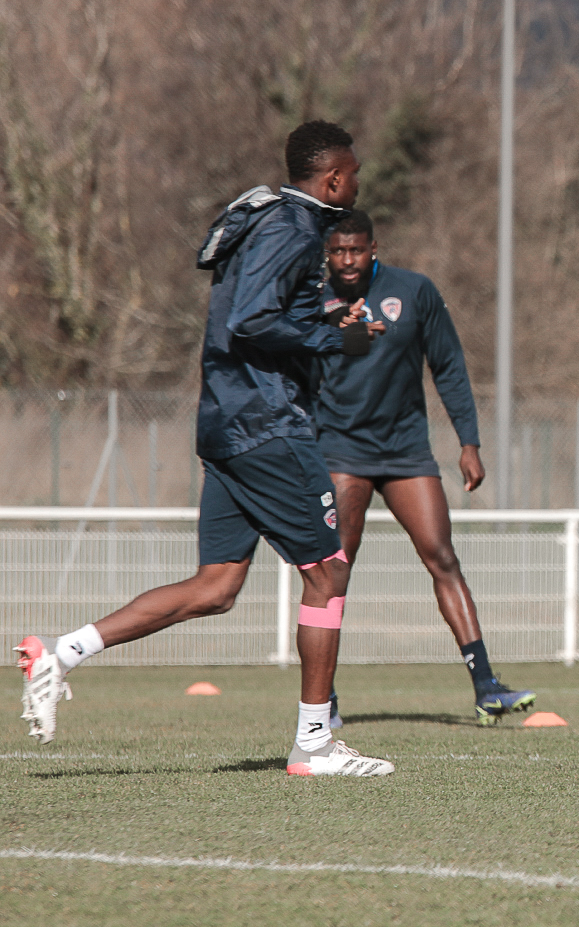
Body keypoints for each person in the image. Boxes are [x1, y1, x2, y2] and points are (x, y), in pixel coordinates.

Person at [15, 121, 394, 778]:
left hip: (226, 424)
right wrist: (337, 338)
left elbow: (253, 312)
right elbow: (252, 319)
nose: (358, 183)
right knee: (327, 572)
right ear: (332, 179)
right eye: (353, 174)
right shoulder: (296, 229)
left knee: (217, 587)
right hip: (266, 427)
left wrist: (333, 321)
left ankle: (60, 655)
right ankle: (314, 744)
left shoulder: (260, 219)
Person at [315, 211, 536, 726]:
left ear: (374, 247)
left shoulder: (414, 292)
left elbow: (449, 365)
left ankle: (486, 685)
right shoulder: (311, 300)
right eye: (337, 252)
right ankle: (321, 698)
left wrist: (469, 442)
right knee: (333, 572)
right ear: (327, 254)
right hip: (341, 450)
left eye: (356, 250)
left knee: (442, 556)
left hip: (406, 450)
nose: (347, 261)